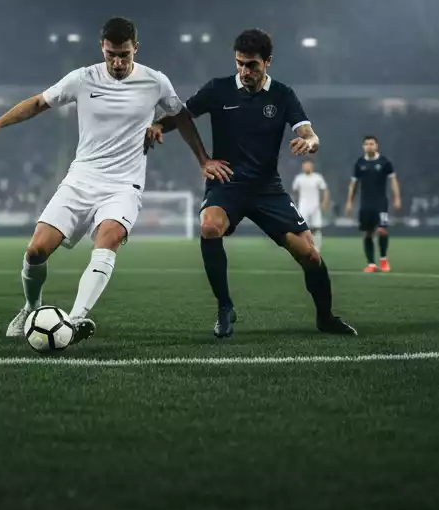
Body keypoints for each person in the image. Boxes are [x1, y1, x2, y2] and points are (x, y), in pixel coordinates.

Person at [0, 16, 222, 345]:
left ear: (136, 48)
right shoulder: (82, 78)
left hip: (124, 184)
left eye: (124, 55)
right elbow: (39, 102)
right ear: (102, 47)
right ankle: (31, 308)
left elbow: (182, 116)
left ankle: (75, 320)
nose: (117, 62)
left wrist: (202, 158)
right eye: (111, 55)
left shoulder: (155, 81)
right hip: (81, 179)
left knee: (110, 238)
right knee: (35, 252)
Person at [151, 28, 357, 338]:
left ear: (267, 62)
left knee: (311, 255)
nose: (245, 71)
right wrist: (161, 127)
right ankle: (225, 307)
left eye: (252, 65)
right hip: (227, 183)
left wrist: (310, 141)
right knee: (209, 226)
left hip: (267, 188)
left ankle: (325, 317)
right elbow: (182, 115)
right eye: (240, 63)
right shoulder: (218, 89)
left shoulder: (282, 94)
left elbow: (308, 133)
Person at [343, 136, 401, 272]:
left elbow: (393, 181)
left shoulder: (385, 162)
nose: (369, 146)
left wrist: (397, 198)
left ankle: (383, 259)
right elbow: (353, 184)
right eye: (367, 144)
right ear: (363, 147)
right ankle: (371, 264)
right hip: (365, 203)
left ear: (376, 146)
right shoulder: (359, 163)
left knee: (382, 230)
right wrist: (349, 202)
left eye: (372, 144)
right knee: (367, 233)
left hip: (381, 202)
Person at [291, 160, 330, 251]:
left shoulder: (318, 177)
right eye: (305, 165)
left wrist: (325, 202)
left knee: (316, 228)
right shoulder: (299, 178)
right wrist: (293, 203)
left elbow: (325, 190)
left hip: (315, 206)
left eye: (308, 165)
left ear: (312, 166)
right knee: (303, 228)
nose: (307, 167)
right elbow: (294, 192)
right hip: (303, 206)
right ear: (302, 167)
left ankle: (317, 248)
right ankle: (304, 246)